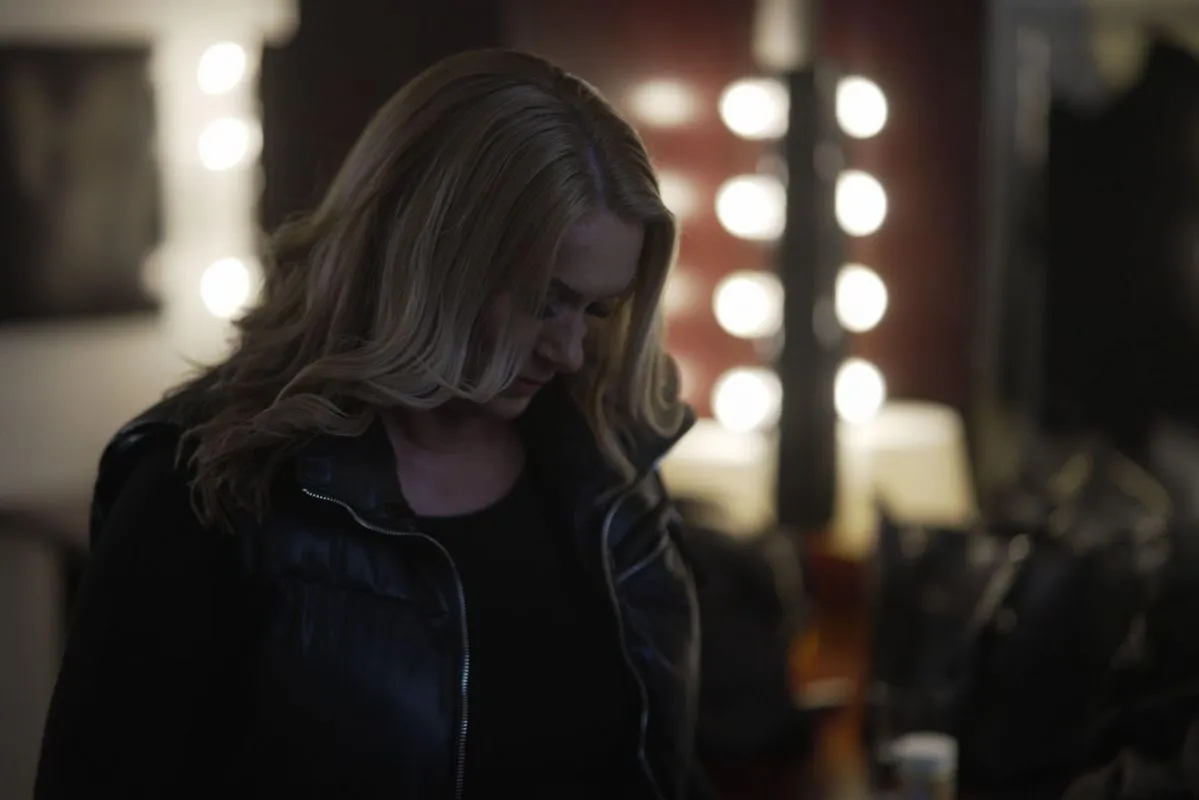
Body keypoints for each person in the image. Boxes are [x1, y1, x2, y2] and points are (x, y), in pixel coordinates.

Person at [35, 49, 711, 800]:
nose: (570, 349)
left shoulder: (608, 460)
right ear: (430, 259)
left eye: (597, 309)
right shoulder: (208, 486)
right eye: (543, 301)